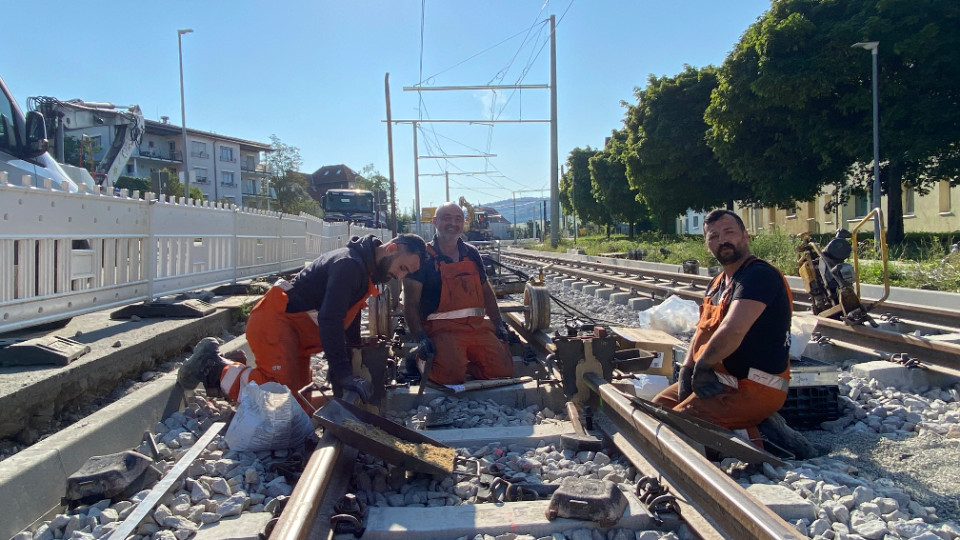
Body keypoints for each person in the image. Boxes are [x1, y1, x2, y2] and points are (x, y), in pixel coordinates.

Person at [179, 233, 427, 403]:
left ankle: (236, 366)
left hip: (293, 335)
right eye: (403, 268)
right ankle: (215, 367)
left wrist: (354, 356)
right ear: (392, 248)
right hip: (275, 325)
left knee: (299, 401)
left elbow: (348, 315)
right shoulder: (349, 265)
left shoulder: (365, 267)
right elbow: (330, 319)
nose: (399, 276)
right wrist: (343, 374)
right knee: (276, 397)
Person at [652, 209, 793, 443]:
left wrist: (704, 366)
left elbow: (733, 329)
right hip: (719, 381)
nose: (722, 240)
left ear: (745, 236)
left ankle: (762, 436)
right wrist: (688, 371)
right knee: (658, 408)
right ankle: (735, 426)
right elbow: (701, 332)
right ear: (707, 245)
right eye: (713, 236)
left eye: (729, 232)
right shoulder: (718, 283)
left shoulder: (758, 276)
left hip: (755, 388)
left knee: (676, 427)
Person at [403, 202, 514, 385]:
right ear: (435, 222)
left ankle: (464, 360)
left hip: (477, 327)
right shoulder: (423, 257)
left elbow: (486, 291)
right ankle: (415, 359)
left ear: (463, 223)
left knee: (502, 372)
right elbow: (411, 303)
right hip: (441, 329)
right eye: (447, 218)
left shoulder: (471, 253)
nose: (453, 223)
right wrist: (421, 338)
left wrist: (498, 324)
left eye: (458, 219)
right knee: (449, 378)